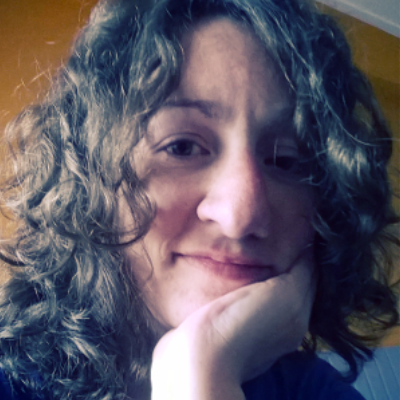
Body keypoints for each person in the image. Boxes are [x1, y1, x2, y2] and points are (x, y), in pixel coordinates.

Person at [0, 0, 398, 399]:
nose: (240, 215)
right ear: (89, 175)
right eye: (182, 147)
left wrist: (203, 373)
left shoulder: (312, 391)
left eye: (286, 160)